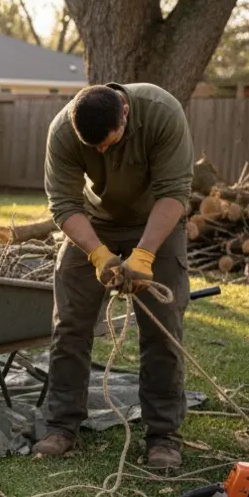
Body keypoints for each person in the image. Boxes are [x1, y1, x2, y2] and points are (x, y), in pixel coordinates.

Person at [34, 83, 194, 469]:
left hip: (157, 220)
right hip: (94, 223)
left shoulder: (162, 113)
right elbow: (64, 203)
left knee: (162, 330)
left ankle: (162, 435)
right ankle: (60, 424)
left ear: (124, 111)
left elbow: (174, 192)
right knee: (70, 324)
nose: (102, 152)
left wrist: (144, 254)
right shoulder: (63, 132)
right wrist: (97, 253)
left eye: (109, 142)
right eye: (95, 148)